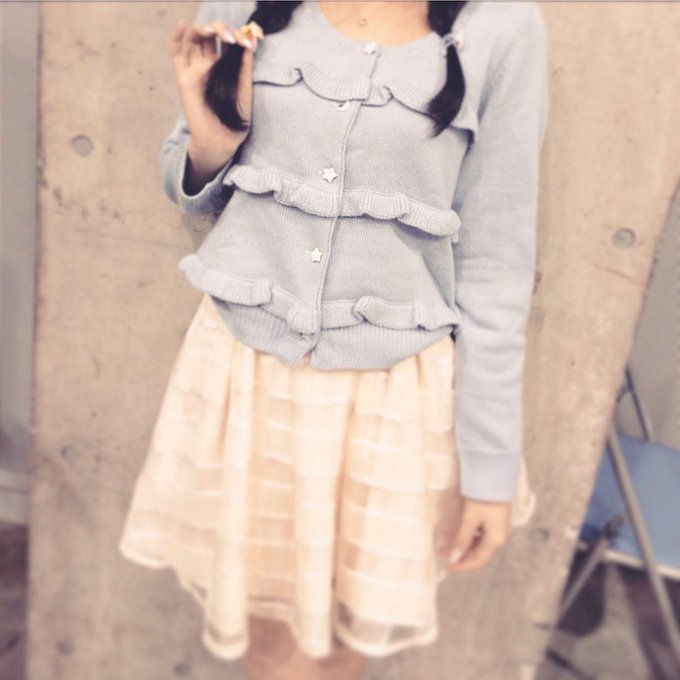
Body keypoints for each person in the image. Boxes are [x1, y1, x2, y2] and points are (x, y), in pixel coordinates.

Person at [118, 1, 547, 677]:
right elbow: (188, 174)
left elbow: (497, 258)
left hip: (392, 395)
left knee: (346, 644)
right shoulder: (242, 8)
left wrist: (489, 467)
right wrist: (212, 143)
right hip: (248, 376)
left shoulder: (502, 26)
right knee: (268, 642)